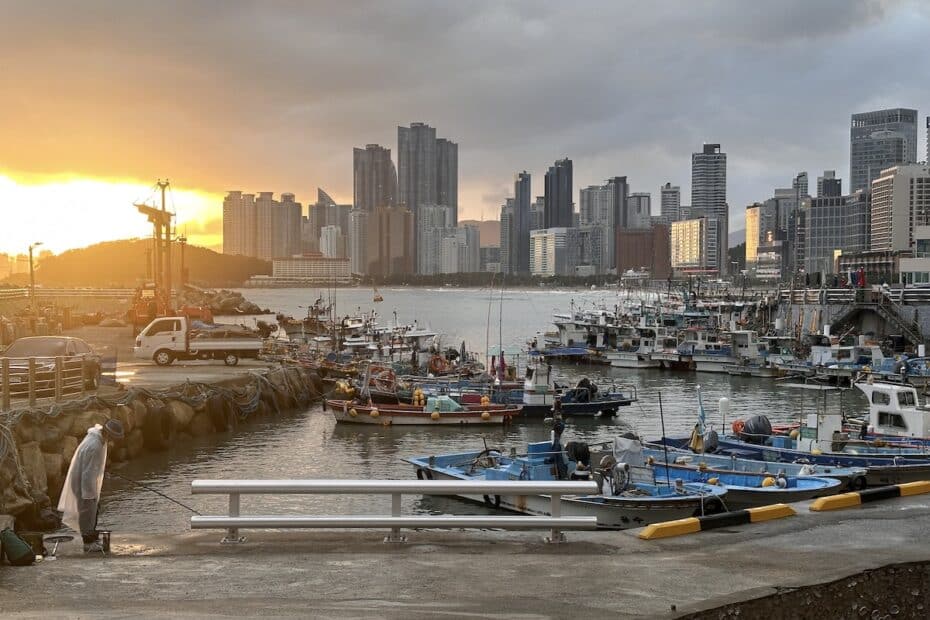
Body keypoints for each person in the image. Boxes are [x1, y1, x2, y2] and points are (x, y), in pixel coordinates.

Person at [58, 419, 124, 553]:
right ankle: (88, 543)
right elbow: (87, 474)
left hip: (81, 479)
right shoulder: (95, 446)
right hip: (84, 484)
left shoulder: (96, 436)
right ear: (109, 434)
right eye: (114, 437)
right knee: (87, 512)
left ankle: (91, 538)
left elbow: (91, 465)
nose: (114, 440)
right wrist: (90, 495)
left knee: (92, 511)